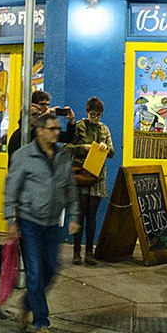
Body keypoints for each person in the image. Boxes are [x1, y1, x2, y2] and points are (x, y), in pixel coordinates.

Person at [3, 111, 80, 333]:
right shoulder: (23, 156)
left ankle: (28, 302)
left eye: (58, 129)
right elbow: (11, 188)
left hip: (52, 222)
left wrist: (74, 216)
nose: (58, 132)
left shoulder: (63, 156)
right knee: (35, 272)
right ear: (40, 131)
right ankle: (41, 321)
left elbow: (71, 189)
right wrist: (11, 220)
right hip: (29, 221)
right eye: (53, 129)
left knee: (51, 270)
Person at [67, 97, 114, 265]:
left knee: (92, 216)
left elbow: (112, 151)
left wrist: (105, 148)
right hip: (81, 175)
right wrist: (84, 148)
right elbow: (67, 147)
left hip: (98, 176)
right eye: (93, 114)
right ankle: (76, 252)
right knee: (80, 214)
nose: (96, 117)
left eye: (99, 115)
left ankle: (89, 252)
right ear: (87, 112)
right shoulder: (80, 126)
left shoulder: (104, 129)